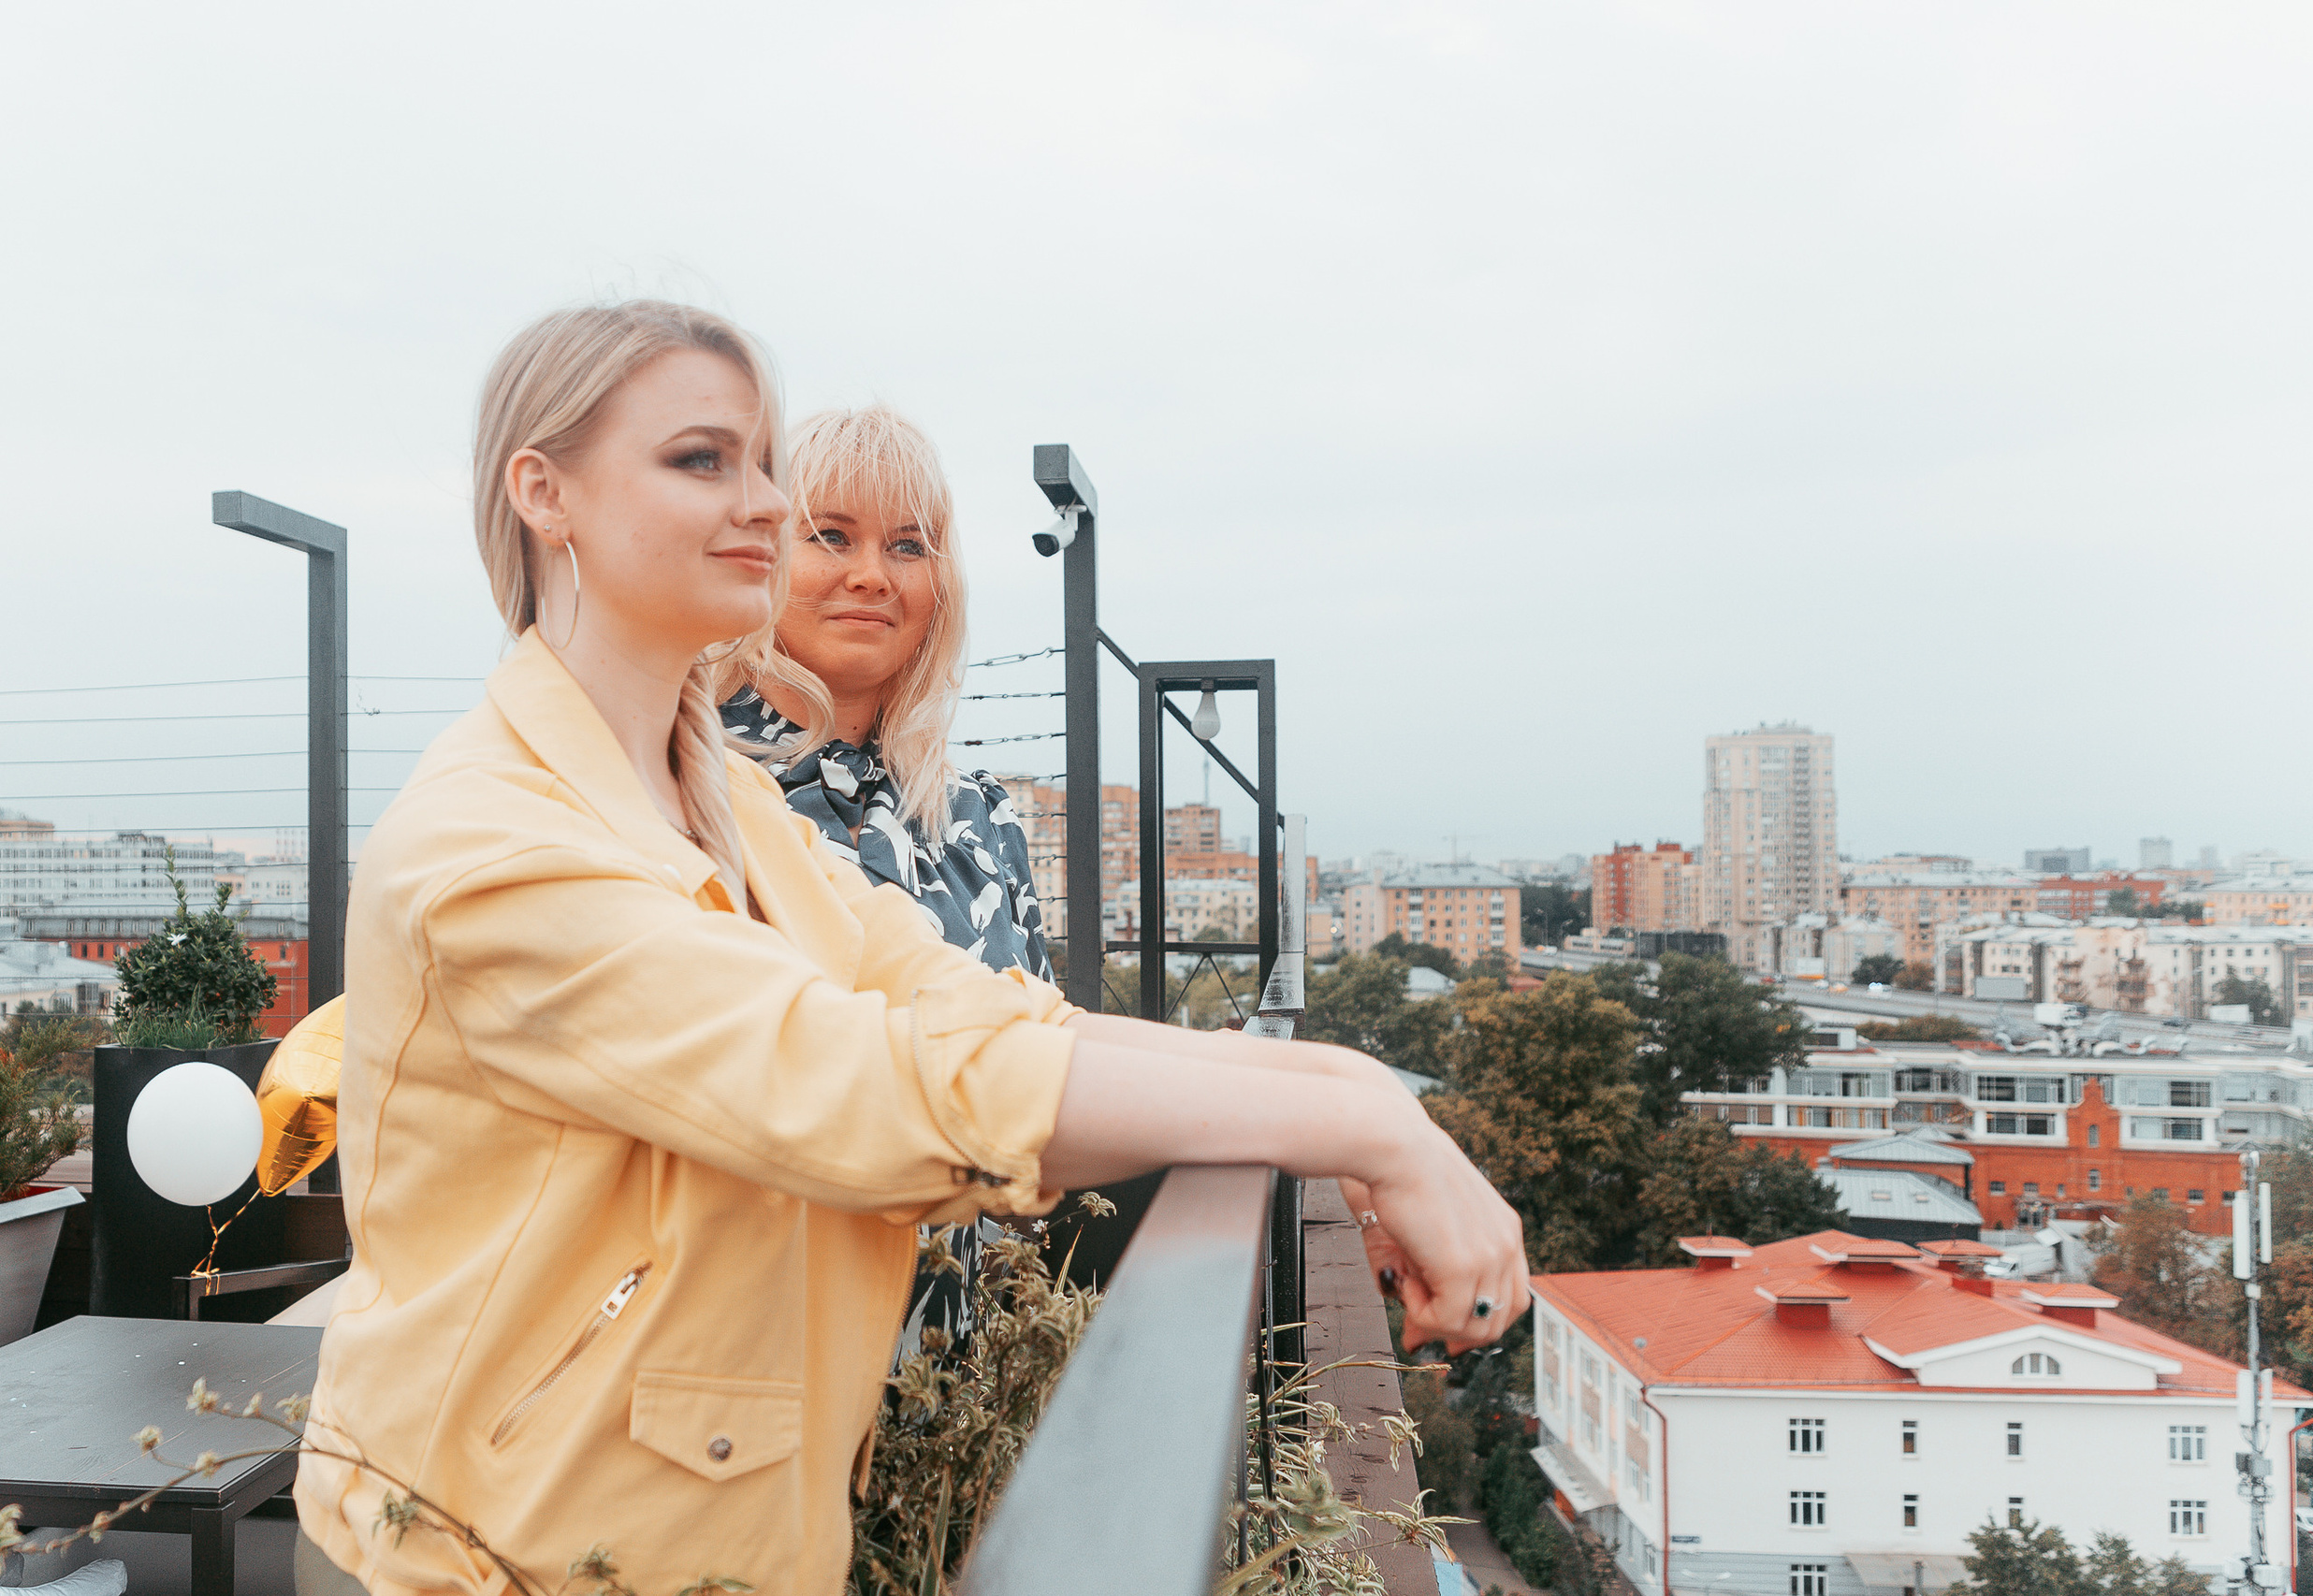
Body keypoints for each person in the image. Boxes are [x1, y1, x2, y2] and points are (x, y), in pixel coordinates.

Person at [295, 300, 1525, 1596]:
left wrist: (1357, 1092)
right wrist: (1367, 1128)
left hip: (715, 1530)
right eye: (703, 459)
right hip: (485, 1554)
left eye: (764, 463)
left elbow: (988, 1011)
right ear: (544, 492)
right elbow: (861, 1081)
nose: (764, 503)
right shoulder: (495, 838)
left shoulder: (722, 801)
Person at [717, 404, 1047, 1363]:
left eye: (909, 545)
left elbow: (1039, 1067)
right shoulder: (684, 786)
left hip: (954, 1378)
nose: (872, 573)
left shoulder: (982, 820)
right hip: (749, 1368)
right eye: (830, 535)